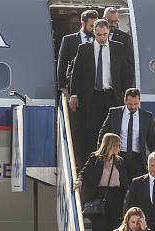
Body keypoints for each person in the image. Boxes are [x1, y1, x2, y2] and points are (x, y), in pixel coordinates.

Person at [69, 19, 132, 157]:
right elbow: (76, 73)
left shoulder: (118, 48)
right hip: (93, 97)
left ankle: (114, 160)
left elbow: (125, 74)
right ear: (94, 33)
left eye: (104, 34)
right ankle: (94, 161)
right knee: (93, 130)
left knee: (114, 130)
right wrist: (74, 95)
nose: (102, 38)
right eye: (99, 35)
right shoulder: (84, 49)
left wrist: (128, 96)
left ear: (108, 32)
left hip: (113, 96)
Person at [75, 133, 128, 231]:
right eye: (118, 144)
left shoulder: (119, 161)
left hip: (115, 195)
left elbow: (124, 180)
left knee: (114, 224)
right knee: (100, 224)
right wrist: (80, 181)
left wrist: (127, 194)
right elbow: (84, 172)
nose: (119, 147)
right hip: (99, 194)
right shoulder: (95, 158)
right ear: (111, 145)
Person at [57, 9, 98, 163]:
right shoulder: (69, 40)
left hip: (92, 91)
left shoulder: (98, 39)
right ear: (83, 23)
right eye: (91, 26)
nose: (94, 30)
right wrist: (65, 90)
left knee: (92, 126)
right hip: (74, 90)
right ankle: (78, 159)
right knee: (77, 126)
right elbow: (61, 65)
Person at [98, 88, 155, 179]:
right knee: (120, 186)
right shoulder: (114, 113)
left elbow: (151, 141)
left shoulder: (147, 117)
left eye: (136, 104)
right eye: (130, 104)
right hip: (118, 156)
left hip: (138, 159)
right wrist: (102, 155)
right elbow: (103, 134)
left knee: (137, 188)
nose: (133, 107)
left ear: (139, 101)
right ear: (125, 101)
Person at [103, 7, 134, 81]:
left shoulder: (124, 38)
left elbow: (129, 63)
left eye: (115, 21)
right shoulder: (95, 35)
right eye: (110, 21)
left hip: (117, 81)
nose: (113, 24)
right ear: (103, 19)